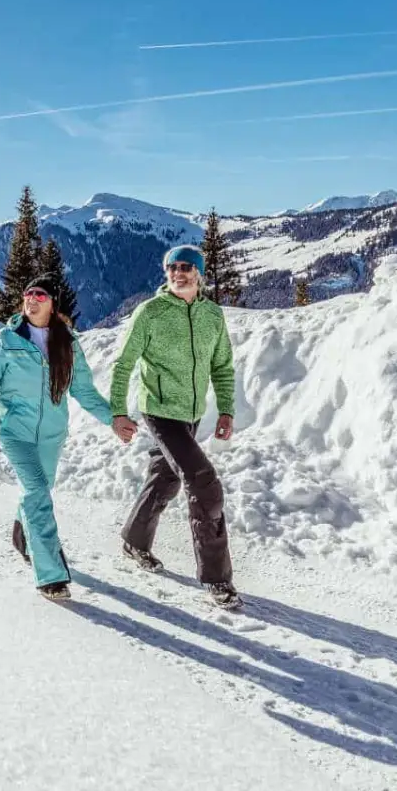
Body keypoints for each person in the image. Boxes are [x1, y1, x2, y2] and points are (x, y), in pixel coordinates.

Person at [0, 274, 119, 601]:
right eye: (28, 293)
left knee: (36, 493)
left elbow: (83, 390)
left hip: (51, 434)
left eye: (40, 294)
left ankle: (22, 534)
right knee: (37, 491)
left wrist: (115, 419)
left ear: (52, 304)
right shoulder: (7, 339)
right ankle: (51, 575)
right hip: (14, 430)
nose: (32, 298)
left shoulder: (67, 342)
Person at [109, 244, 242, 608]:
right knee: (204, 482)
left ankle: (134, 541)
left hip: (193, 412)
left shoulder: (212, 315)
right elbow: (123, 364)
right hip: (160, 411)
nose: (179, 273)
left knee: (165, 478)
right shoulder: (150, 313)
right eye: (172, 267)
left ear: (199, 273)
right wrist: (118, 412)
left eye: (186, 267)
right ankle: (217, 579)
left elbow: (222, 367)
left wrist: (226, 411)